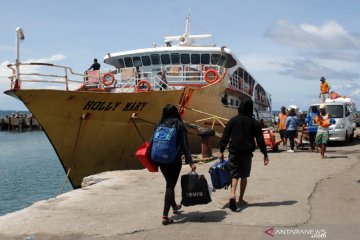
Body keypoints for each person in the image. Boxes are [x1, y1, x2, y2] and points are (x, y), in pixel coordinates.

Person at [219, 99, 269, 211]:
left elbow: (225, 137)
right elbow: (260, 139)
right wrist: (265, 153)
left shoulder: (232, 121)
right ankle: (240, 199)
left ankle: (232, 195)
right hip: (246, 154)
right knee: (244, 176)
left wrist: (221, 150)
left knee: (234, 175)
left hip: (233, 152)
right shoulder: (254, 122)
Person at [151, 104, 196, 225]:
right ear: (176, 113)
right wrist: (190, 162)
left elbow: (151, 143)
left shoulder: (159, 125)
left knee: (169, 182)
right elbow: (185, 145)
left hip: (160, 160)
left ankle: (175, 206)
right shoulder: (179, 125)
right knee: (170, 186)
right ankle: (165, 216)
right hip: (174, 160)